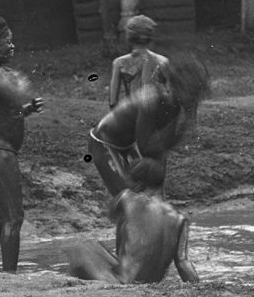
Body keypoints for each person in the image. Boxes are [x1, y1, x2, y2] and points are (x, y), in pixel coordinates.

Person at [0, 16, 44, 273]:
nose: (12, 47)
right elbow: (16, 96)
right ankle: (10, 277)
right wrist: (23, 84)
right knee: (15, 217)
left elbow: (10, 112)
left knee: (4, 216)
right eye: (7, 43)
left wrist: (27, 110)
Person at [88, 53, 209, 198]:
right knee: (127, 196)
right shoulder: (149, 100)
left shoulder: (176, 104)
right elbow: (146, 147)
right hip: (103, 142)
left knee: (149, 188)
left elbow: (162, 148)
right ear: (172, 85)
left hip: (128, 144)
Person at [66, 157, 199, 284]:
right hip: (151, 285)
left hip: (124, 282)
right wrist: (199, 288)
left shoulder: (127, 198)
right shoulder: (180, 219)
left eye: (129, 180)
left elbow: (112, 213)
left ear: (138, 184)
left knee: (82, 247)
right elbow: (183, 262)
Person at [108, 14, 169, 109]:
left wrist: (114, 112)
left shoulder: (119, 62)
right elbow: (169, 91)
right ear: (150, 36)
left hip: (132, 111)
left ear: (129, 36)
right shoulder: (163, 61)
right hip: (156, 112)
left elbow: (113, 99)